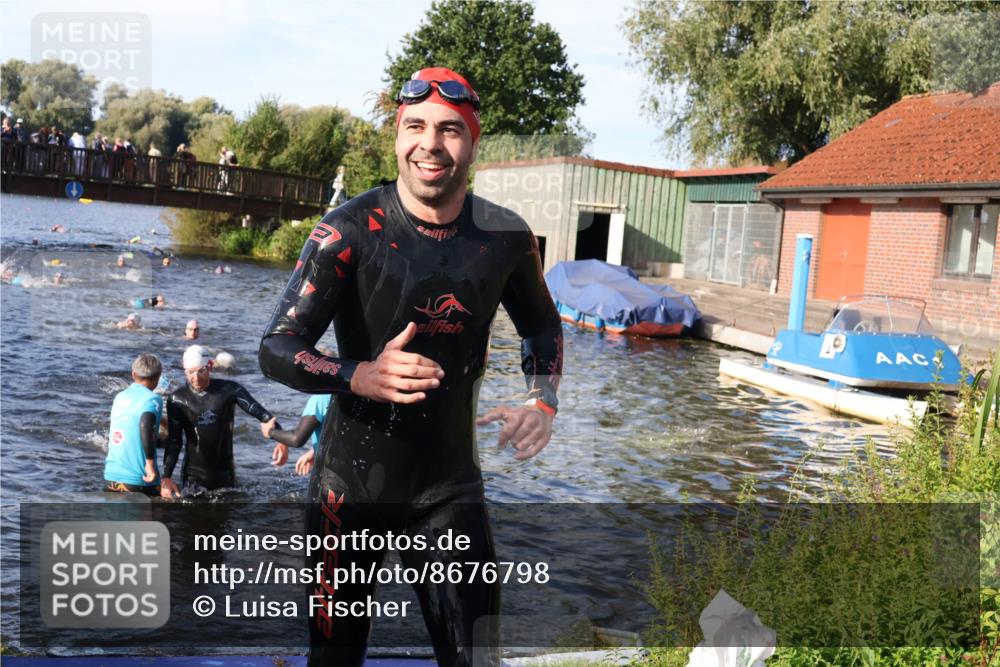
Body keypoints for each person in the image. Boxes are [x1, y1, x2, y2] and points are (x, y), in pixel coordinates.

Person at [258, 67, 562, 666]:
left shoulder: (505, 237)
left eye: (450, 129)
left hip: (449, 487)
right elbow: (277, 346)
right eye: (415, 126)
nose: (431, 143)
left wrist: (542, 399)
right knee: (335, 660)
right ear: (397, 137)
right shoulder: (347, 231)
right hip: (348, 491)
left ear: (473, 142)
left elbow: (542, 325)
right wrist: (357, 375)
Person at [161, 345, 282, 497]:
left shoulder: (230, 390)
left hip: (225, 475)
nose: (196, 377)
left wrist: (281, 439)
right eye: (191, 372)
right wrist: (166, 477)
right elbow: (174, 441)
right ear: (184, 370)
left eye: (201, 371)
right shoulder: (177, 399)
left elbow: (263, 415)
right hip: (192, 477)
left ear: (210, 366)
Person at [104, 354, 164, 495]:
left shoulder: (119, 397)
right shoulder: (153, 399)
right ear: (159, 376)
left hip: (111, 477)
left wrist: (162, 420)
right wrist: (150, 463)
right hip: (139, 480)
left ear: (133, 374)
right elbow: (145, 424)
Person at [268, 393, 331, 477]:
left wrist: (270, 432)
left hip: (332, 476)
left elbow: (296, 439)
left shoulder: (320, 400)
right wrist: (316, 450)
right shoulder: (347, 396)